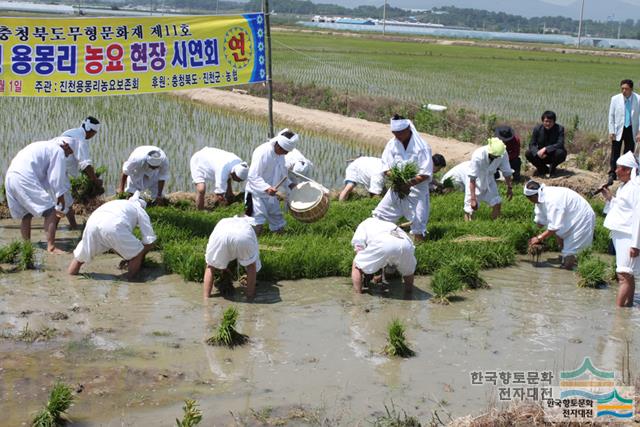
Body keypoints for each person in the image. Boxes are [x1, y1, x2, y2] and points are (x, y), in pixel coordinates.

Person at [4, 137, 72, 253]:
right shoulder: (58, 150)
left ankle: (27, 246)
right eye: (70, 151)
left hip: (10, 177)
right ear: (65, 145)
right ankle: (51, 246)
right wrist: (60, 197)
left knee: (26, 214)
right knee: (51, 211)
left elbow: (46, 178)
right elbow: (56, 177)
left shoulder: (43, 146)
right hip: (24, 178)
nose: (69, 154)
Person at [372, 115, 434, 241]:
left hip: (417, 191)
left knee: (418, 222)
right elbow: (386, 167)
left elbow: (425, 172)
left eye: (400, 133)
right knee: (380, 216)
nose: (397, 136)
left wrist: (408, 184)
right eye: (394, 133)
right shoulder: (392, 144)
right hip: (397, 188)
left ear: (408, 130)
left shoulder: (421, 146)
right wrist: (398, 180)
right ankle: (379, 241)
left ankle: (419, 248)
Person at [68, 192, 156, 280]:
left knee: (80, 257)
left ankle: (70, 277)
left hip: (92, 223)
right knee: (138, 253)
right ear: (143, 205)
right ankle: (130, 280)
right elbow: (149, 241)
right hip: (113, 225)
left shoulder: (118, 203)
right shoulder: (139, 209)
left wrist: (128, 257)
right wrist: (139, 256)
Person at [524, 181, 595, 269]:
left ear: (535, 195)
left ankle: (570, 266)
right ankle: (568, 259)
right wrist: (536, 237)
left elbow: (554, 227)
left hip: (582, 218)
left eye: (530, 199)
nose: (531, 202)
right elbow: (540, 223)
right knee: (563, 245)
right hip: (568, 217)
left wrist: (539, 238)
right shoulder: (540, 197)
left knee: (571, 252)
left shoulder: (552, 200)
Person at [600, 152, 640, 307]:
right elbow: (622, 208)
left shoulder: (636, 187)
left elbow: (638, 216)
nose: (615, 171)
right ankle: (627, 308)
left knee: (623, 275)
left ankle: (619, 314)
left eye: (619, 168)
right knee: (627, 275)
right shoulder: (625, 187)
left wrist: (636, 244)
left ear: (628, 170)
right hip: (621, 235)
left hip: (629, 237)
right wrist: (610, 198)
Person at [245, 128, 297, 235]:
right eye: (284, 151)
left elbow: (282, 173)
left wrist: (290, 184)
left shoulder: (280, 155)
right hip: (256, 194)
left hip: (271, 194)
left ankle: (280, 239)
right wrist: (266, 188)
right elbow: (253, 176)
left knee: (278, 221)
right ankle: (250, 243)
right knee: (256, 223)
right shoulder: (263, 152)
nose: (286, 154)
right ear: (278, 145)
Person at [350, 217, 416, 294]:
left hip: (383, 243)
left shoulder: (362, 226)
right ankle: (409, 293)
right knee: (408, 272)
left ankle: (358, 296)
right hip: (405, 244)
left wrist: (367, 269)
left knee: (357, 264)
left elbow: (359, 249)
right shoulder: (388, 223)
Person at [203, 216, 261, 300]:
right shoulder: (248, 227)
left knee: (210, 266)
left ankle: (206, 298)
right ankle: (250, 296)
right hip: (243, 237)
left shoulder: (223, 221)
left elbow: (223, 251)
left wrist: (223, 266)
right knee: (251, 265)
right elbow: (253, 266)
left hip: (221, 236)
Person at [60, 116, 103, 228]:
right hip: (56, 168)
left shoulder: (71, 132)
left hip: (58, 168)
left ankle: (73, 225)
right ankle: (51, 235)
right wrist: (95, 180)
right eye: (94, 133)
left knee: (66, 198)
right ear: (90, 130)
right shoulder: (80, 139)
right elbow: (85, 164)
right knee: (61, 200)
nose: (93, 136)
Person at [465, 138, 513, 221]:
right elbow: (472, 179)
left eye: (497, 156)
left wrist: (509, 188)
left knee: (497, 203)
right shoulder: (478, 155)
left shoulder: (503, 153)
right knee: (470, 208)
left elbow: (506, 171)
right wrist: (473, 199)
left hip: (490, 179)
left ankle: (495, 224)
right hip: (476, 180)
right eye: (494, 156)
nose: (496, 158)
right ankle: (468, 228)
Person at [607, 79, 640, 185]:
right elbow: (611, 116)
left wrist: (639, 131)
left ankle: (626, 174)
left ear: (631, 89)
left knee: (628, 152)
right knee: (615, 151)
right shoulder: (615, 99)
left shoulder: (638, 99)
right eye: (622, 88)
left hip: (631, 128)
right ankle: (612, 173)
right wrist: (611, 131)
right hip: (618, 129)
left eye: (626, 89)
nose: (624, 91)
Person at [525, 111, 566, 177]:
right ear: (543, 121)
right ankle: (543, 169)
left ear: (554, 121)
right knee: (528, 153)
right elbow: (532, 144)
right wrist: (537, 152)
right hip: (541, 155)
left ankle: (552, 169)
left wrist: (546, 149)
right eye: (546, 121)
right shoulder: (537, 129)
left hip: (553, 154)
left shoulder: (559, 129)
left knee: (561, 152)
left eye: (550, 121)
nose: (548, 123)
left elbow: (560, 144)